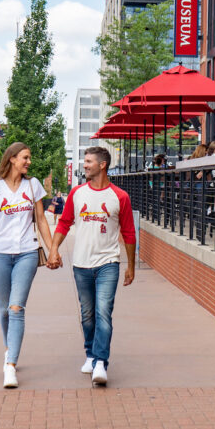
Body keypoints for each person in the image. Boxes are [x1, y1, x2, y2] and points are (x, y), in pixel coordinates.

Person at [49, 146, 136, 386]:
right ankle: (90, 354)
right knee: (87, 315)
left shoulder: (120, 197)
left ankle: (100, 362)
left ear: (102, 165)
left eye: (88, 162)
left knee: (103, 313)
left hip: (108, 262)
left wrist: (131, 266)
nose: (85, 165)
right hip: (81, 264)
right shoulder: (77, 193)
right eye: (84, 161)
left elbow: (129, 232)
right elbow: (65, 223)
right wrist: (54, 248)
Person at [0, 142, 60, 389]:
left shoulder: (33, 186)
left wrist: (52, 250)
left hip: (26, 253)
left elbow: (41, 220)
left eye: (29, 158)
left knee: (16, 309)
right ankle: (8, 349)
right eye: (25, 157)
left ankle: (11, 365)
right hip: (0, 254)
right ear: (12, 159)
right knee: (4, 309)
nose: (29, 162)